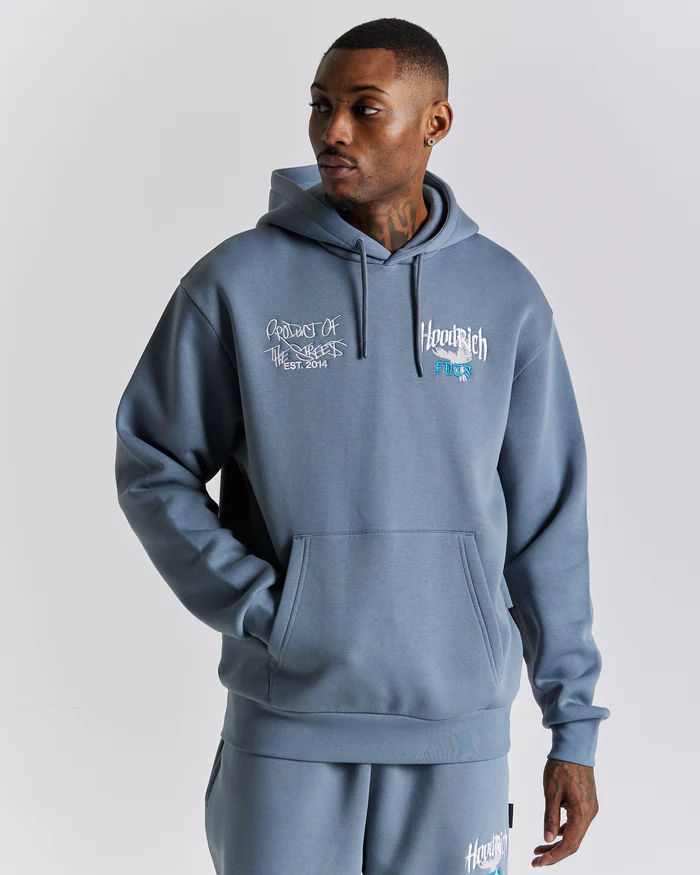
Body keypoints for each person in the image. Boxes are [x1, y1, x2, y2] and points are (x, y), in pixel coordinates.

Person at [114, 17, 610, 873]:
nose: (332, 131)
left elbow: (548, 521)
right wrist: (270, 610)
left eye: (364, 108)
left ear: (435, 122)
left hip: (458, 738)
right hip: (289, 730)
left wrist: (575, 727)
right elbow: (152, 465)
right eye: (320, 106)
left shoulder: (506, 297)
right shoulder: (235, 283)